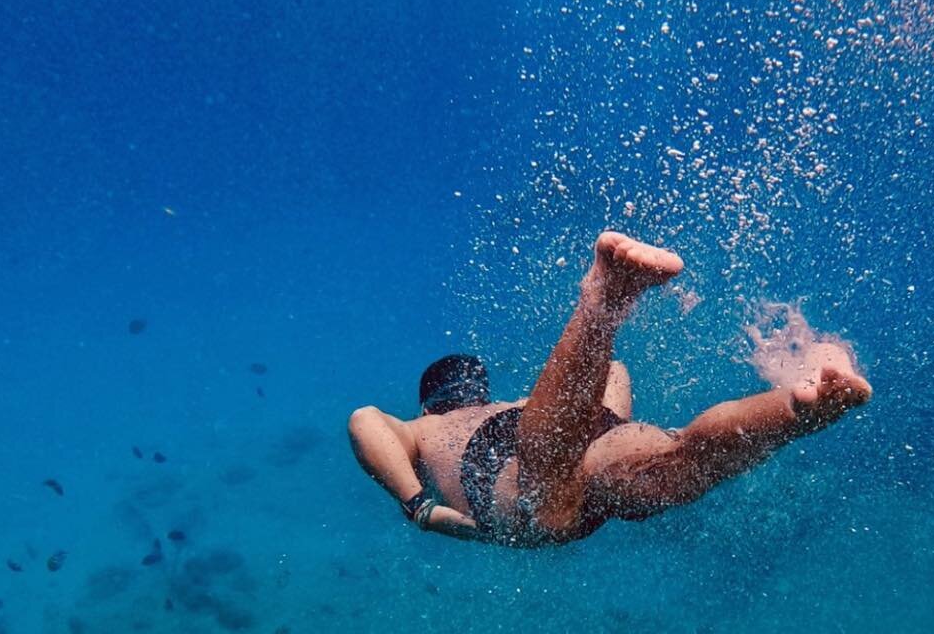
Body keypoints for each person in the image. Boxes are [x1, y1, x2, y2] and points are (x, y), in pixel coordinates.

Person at [348, 231, 871, 547]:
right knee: (675, 461)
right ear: (480, 390)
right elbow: (616, 377)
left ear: (430, 399)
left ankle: (602, 302)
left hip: (510, 459)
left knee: (547, 494)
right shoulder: (504, 405)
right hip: (575, 424)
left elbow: (363, 419)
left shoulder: (424, 427)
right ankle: (801, 407)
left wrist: (417, 506)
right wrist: (601, 416)